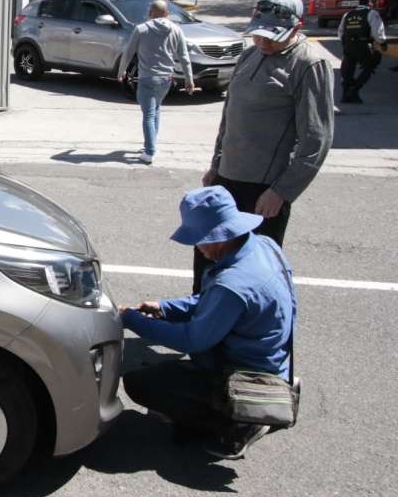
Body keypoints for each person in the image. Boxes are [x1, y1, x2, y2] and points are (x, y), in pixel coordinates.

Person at [121, 186, 296, 460]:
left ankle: (239, 420)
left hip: (245, 372)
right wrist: (165, 308)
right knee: (164, 373)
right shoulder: (265, 246)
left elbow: (191, 339)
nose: (199, 249)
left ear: (220, 237)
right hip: (272, 360)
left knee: (138, 382)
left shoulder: (234, 284)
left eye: (200, 241)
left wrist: (131, 320)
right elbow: (210, 303)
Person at [195, 0, 333, 293]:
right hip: (226, 181)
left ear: (296, 28)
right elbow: (229, 116)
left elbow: (316, 138)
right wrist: (215, 166)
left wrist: (281, 191)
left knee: (249, 274)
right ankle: (202, 328)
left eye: (272, 37)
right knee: (209, 257)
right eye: (259, 35)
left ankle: (245, 337)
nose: (263, 42)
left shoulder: (308, 64)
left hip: (263, 191)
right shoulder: (250, 54)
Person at [118, 0, 195, 164]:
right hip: (167, 79)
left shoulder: (141, 29)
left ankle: (150, 152)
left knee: (148, 114)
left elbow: (128, 52)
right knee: (156, 110)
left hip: (147, 78)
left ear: (150, 13)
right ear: (167, 14)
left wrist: (121, 71)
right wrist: (189, 78)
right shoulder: (176, 30)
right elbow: (184, 57)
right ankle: (150, 144)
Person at [336, 0, 388, 105]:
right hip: (363, 45)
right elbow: (378, 33)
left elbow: (340, 32)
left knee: (348, 70)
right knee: (370, 65)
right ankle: (354, 90)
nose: (373, 3)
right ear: (369, 1)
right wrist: (383, 43)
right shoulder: (372, 13)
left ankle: (345, 95)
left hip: (348, 45)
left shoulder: (348, 14)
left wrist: (347, 44)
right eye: (373, 1)